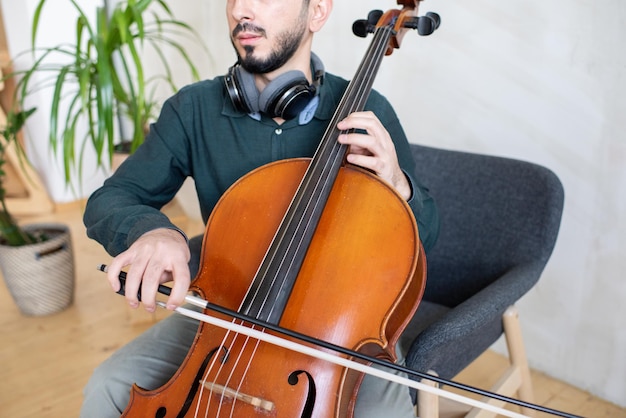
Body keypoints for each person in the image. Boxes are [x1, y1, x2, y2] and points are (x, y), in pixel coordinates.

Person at [81, 0, 439, 416]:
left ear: (317, 12)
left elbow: (424, 239)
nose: (241, 10)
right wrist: (155, 232)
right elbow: (111, 198)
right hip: (227, 315)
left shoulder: (367, 112)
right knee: (108, 387)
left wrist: (397, 184)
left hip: (338, 333)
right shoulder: (192, 109)